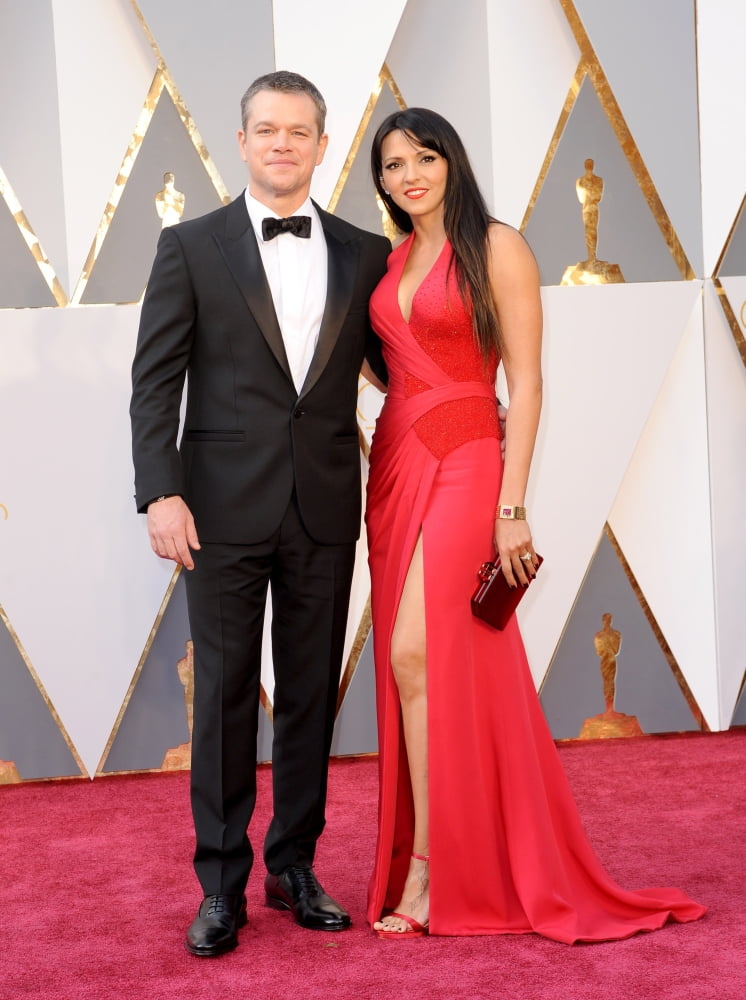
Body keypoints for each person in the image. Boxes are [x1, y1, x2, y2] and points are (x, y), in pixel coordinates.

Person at [364, 107, 706, 941]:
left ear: (453, 162)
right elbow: (385, 363)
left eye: (425, 157)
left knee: (420, 648)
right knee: (413, 664)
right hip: (398, 462)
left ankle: (431, 869)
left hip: (471, 456)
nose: (409, 174)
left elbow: (529, 383)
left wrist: (511, 507)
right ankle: (437, 848)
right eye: (393, 164)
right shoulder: (393, 258)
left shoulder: (499, 245)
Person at [130, 71, 390, 957]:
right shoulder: (190, 246)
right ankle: (220, 883)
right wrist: (158, 491)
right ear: (241, 142)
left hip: (324, 505)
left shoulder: (366, 252)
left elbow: (400, 366)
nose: (283, 143)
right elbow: (156, 381)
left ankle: (296, 865)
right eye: (267, 129)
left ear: (323, 146)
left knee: (312, 697)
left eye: (300, 131)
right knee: (226, 702)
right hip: (218, 512)